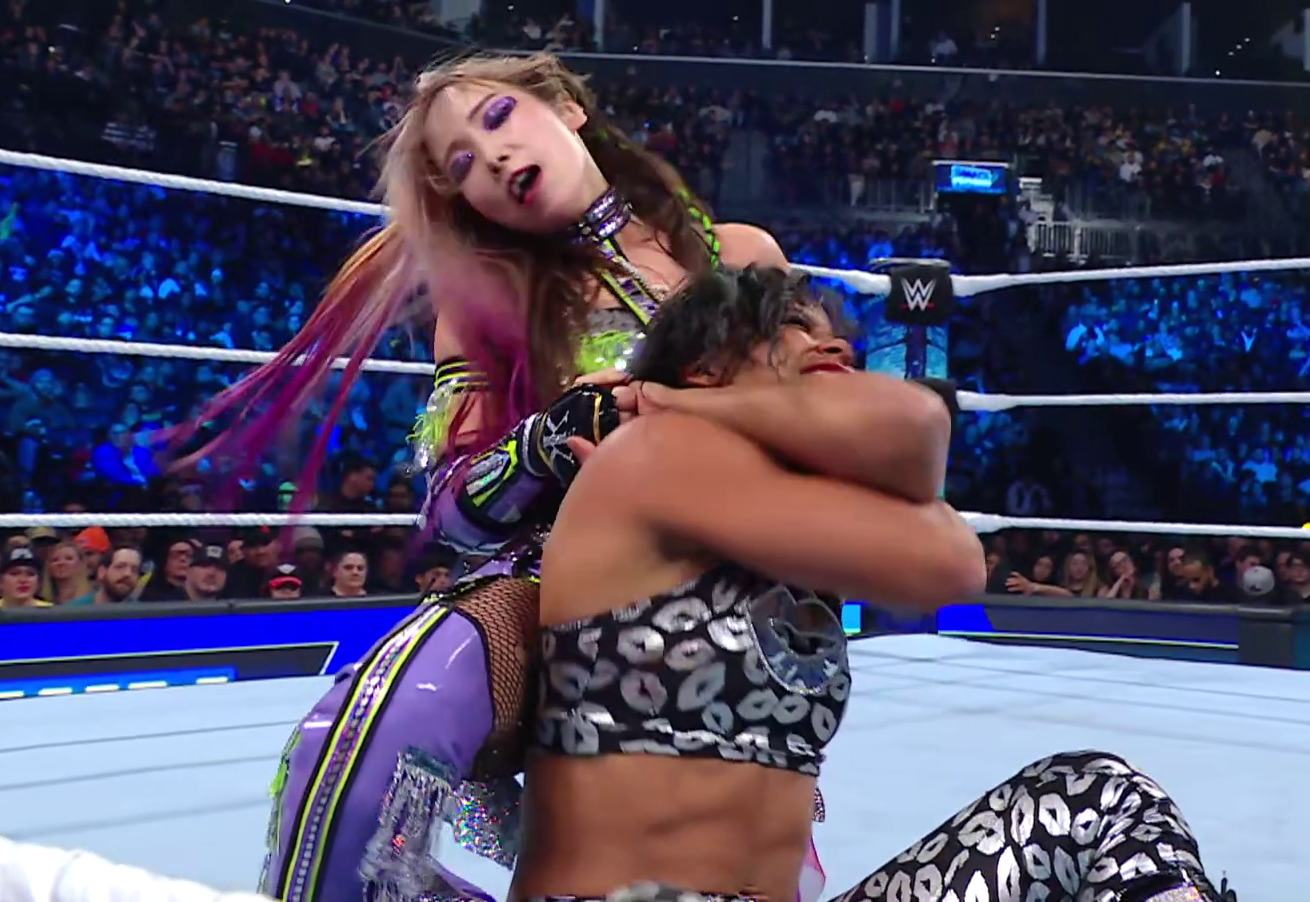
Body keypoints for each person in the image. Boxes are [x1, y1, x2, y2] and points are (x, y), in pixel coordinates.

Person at [210, 53, 944, 902]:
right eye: (461, 165)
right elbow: (449, 508)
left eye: (497, 118)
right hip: (554, 580)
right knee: (358, 741)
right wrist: (552, 438)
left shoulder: (741, 255)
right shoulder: (484, 303)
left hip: (737, 589)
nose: (491, 158)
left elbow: (835, 431)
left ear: (565, 108)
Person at [519, 267, 1219, 902]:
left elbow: (950, 542)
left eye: (837, 338)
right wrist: (688, 411)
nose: (835, 347)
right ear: (705, 366)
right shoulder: (657, 454)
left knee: (1101, 800)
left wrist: (690, 402)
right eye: (793, 327)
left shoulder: (773, 496)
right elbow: (923, 458)